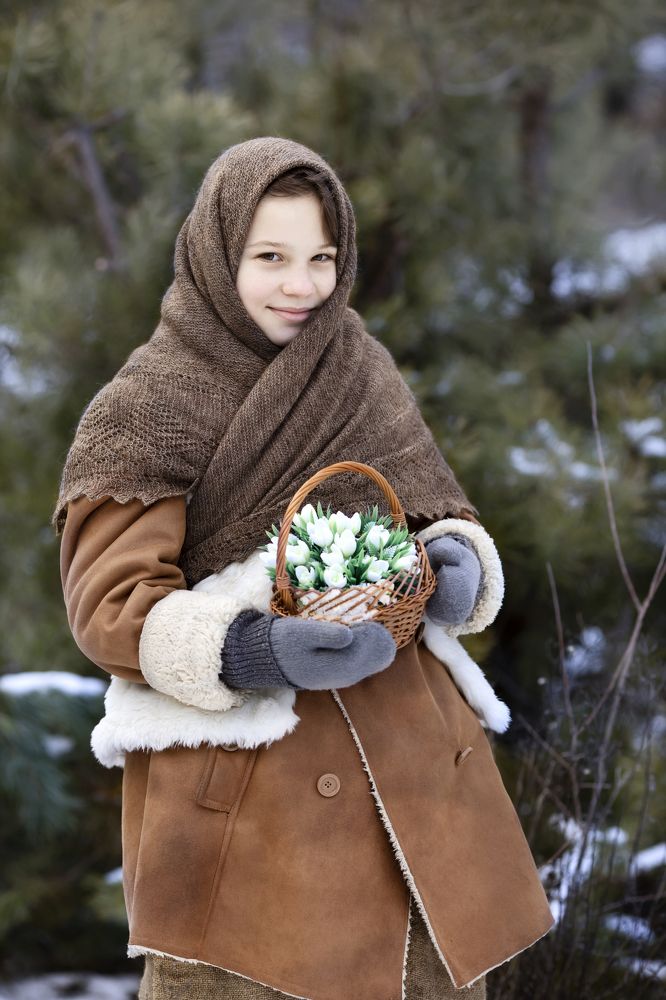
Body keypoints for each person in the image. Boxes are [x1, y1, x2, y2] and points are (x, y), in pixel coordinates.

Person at [52, 137, 553, 999]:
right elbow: (111, 605)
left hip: (410, 780)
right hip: (249, 802)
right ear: (216, 253)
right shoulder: (143, 407)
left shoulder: (355, 365)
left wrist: (454, 560)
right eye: (271, 258)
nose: (303, 286)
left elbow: (436, 508)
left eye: (322, 257)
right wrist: (255, 651)